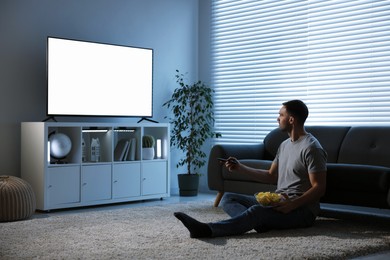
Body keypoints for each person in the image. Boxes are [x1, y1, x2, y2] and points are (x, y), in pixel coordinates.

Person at [174, 99, 328, 238]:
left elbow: (319, 187)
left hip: (301, 211)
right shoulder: (284, 145)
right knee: (229, 198)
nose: (277, 118)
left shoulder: (311, 147)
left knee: (256, 212)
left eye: (281, 115)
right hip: (279, 202)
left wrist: (292, 205)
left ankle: (208, 230)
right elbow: (270, 175)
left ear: (291, 120)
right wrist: (240, 168)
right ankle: (261, 222)